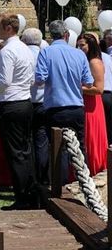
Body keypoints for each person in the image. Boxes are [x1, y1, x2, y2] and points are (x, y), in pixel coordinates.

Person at [0, 13, 36, 210]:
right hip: (25, 102)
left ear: (8, 28)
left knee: (15, 153)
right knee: (25, 150)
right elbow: (31, 79)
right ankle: (29, 193)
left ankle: (23, 197)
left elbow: (4, 82)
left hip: (11, 104)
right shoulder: (25, 49)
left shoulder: (8, 52)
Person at [36, 20, 93, 181]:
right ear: (67, 34)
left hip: (55, 108)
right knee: (80, 148)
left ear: (50, 36)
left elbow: (40, 79)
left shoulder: (46, 53)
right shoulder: (79, 54)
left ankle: (60, 188)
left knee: (58, 149)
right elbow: (88, 82)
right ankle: (83, 184)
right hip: (76, 107)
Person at [76, 33, 108, 175]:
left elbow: (99, 89)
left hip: (92, 104)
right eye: (78, 45)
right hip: (85, 102)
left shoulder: (94, 62)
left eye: (82, 45)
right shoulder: (85, 60)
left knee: (91, 137)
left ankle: (94, 168)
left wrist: (77, 87)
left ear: (91, 45)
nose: (79, 47)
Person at [21, 28, 49, 185]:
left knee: (26, 141)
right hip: (44, 101)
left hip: (26, 101)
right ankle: (43, 176)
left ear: (24, 41)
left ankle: (29, 177)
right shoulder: (46, 54)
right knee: (41, 141)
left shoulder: (23, 55)